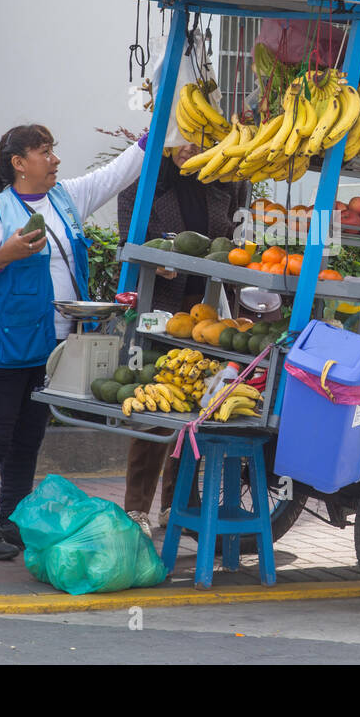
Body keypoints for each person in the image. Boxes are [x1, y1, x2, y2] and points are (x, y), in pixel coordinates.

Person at [0, 125, 146, 558]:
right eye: (45, 151)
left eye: (53, 150)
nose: (55, 159)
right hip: (4, 347)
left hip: (53, 344)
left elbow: (116, 174)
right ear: (19, 164)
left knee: (28, 438)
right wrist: (2, 255)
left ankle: (13, 519)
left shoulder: (65, 198)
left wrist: (154, 135)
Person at [116, 143, 248, 536]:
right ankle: (137, 507)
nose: (188, 148)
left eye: (199, 140)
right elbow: (126, 246)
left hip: (206, 311)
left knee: (196, 408)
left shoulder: (226, 183)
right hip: (159, 312)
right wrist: (154, 262)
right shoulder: (140, 186)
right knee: (155, 408)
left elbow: (235, 242)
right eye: (180, 138)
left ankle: (178, 505)